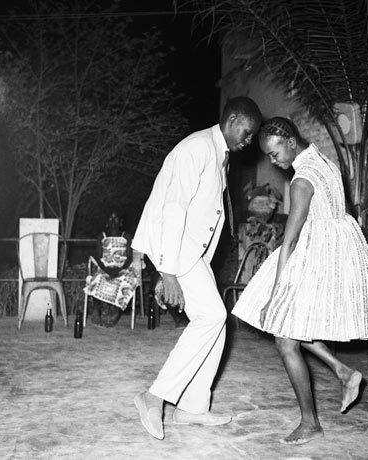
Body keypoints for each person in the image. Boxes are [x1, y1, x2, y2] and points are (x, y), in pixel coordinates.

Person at [232, 117, 368, 445]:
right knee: (294, 329)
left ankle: (310, 422)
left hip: (314, 259)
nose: (275, 162)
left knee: (285, 339)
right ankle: (343, 372)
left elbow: (289, 241)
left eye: (275, 154)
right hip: (336, 254)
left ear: (290, 142)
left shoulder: (302, 180)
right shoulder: (326, 161)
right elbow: (347, 216)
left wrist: (274, 295)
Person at [132, 96, 262, 440]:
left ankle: (192, 408)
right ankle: (153, 397)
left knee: (217, 322)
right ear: (232, 120)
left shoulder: (217, 153)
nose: (248, 142)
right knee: (213, 318)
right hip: (177, 252)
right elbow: (172, 208)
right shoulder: (197, 148)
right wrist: (167, 271)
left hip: (192, 254)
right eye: (247, 134)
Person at [84, 212, 139, 327]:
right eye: (110, 218)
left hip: (123, 268)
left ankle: (115, 313)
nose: (113, 221)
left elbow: (129, 258)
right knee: (98, 278)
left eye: (116, 218)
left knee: (125, 281)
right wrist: (107, 270)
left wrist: (120, 270)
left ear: (121, 222)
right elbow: (99, 256)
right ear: (107, 223)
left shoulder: (125, 236)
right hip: (105, 267)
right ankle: (96, 310)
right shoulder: (102, 236)